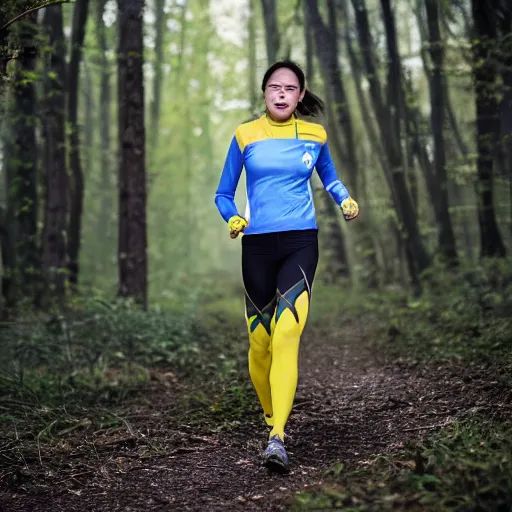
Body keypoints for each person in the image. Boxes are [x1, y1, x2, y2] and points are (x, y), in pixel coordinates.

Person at [214, 60, 359, 472]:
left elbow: (329, 178)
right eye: (274, 87)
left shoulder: (314, 135)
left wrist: (344, 199)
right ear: (264, 93)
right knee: (259, 343)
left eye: (290, 88)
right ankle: (269, 415)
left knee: (287, 334)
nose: (281, 93)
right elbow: (224, 193)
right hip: (257, 245)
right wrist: (233, 218)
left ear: (300, 95)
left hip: (300, 241)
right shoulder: (246, 135)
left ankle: (277, 436)